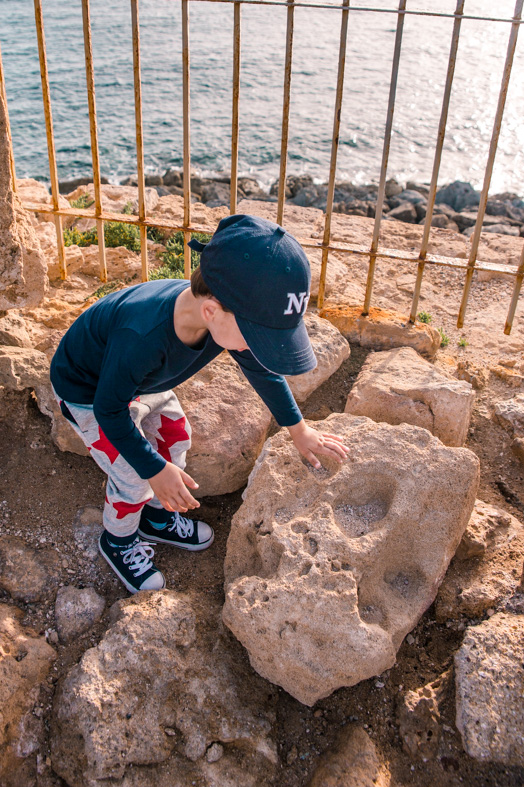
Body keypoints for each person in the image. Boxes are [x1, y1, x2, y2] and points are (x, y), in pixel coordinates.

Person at [50, 213, 348, 593]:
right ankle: (118, 540)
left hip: (137, 383)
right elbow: (109, 409)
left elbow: (262, 372)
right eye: (256, 336)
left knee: (175, 436)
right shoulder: (141, 335)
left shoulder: (216, 316)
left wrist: (299, 430)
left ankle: (156, 519)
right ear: (212, 311)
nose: (256, 348)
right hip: (90, 393)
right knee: (134, 475)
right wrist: (153, 471)